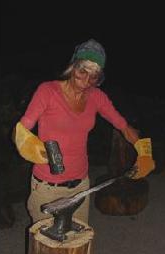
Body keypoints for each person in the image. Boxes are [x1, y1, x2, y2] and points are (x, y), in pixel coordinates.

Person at [14, 39, 155, 224]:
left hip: (81, 186)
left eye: (94, 76)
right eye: (83, 72)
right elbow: (22, 128)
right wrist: (26, 143)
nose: (86, 80)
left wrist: (144, 152)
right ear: (73, 67)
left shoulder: (97, 97)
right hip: (48, 187)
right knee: (46, 249)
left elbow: (125, 128)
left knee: (78, 248)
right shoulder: (47, 91)